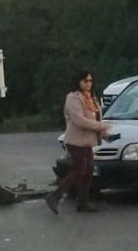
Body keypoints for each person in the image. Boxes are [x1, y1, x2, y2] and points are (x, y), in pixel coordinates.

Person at [45, 69, 110, 214]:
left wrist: (104, 133)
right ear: (78, 82)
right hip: (76, 141)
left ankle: (83, 203)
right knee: (79, 170)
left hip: (87, 141)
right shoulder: (73, 98)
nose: (88, 84)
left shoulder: (92, 98)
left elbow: (96, 118)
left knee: (88, 170)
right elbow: (80, 121)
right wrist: (102, 126)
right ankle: (55, 196)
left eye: (90, 81)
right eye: (85, 81)